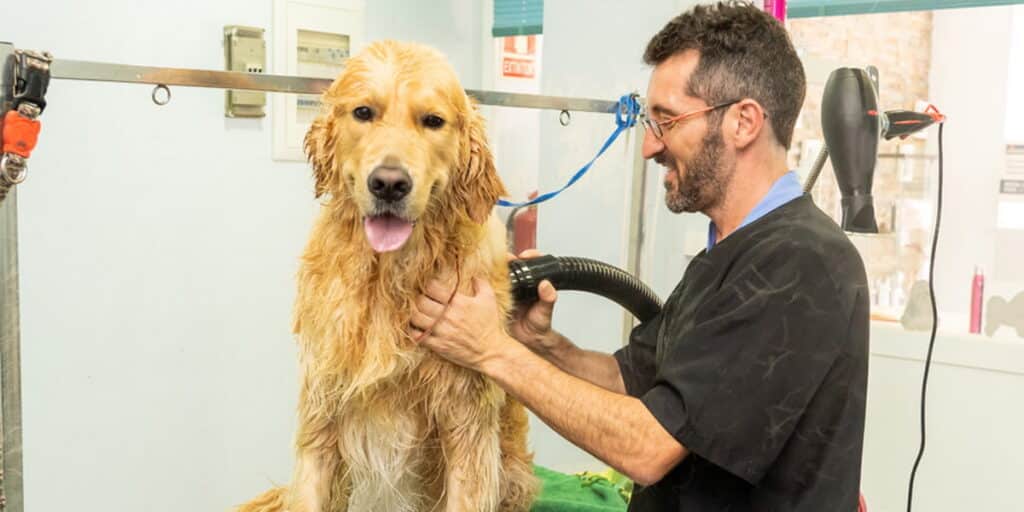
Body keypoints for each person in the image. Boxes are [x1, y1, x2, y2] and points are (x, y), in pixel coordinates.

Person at [409, 2, 870, 510]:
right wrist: (541, 344)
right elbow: (633, 383)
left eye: (667, 121)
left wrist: (491, 351)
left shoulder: (802, 262)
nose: (650, 148)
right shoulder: (732, 250)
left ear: (743, 123)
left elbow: (647, 446)